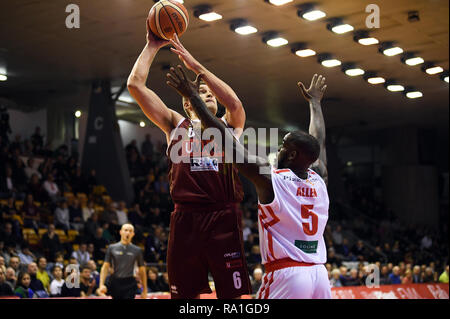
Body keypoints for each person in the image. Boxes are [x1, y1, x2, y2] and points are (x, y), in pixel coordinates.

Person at [166, 66, 330, 299]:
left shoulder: (272, 179)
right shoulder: (318, 178)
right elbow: (318, 143)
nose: (279, 148)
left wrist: (192, 96)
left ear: (292, 155)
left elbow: (225, 142)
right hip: (319, 274)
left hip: (288, 274)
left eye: (283, 146)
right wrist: (315, 104)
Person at [127, 23, 249, 299]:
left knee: (234, 297)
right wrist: (152, 46)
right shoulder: (175, 123)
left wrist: (197, 68)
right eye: (201, 93)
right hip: (185, 218)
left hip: (223, 216)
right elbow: (134, 85)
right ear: (187, 103)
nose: (208, 95)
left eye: (211, 94)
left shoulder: (230, 127)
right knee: (185, 296)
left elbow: (235, 104)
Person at [98, 223, 147, 299]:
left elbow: (142, 270)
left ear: (133, 234)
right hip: (115, 282)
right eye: (126, 230)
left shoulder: (137, 250)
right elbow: (105, 267)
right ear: (120, 232)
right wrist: (101, 285)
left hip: (130, 283)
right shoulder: (112, 248)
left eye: (130, 231)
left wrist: (145, 290)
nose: (128, 233)